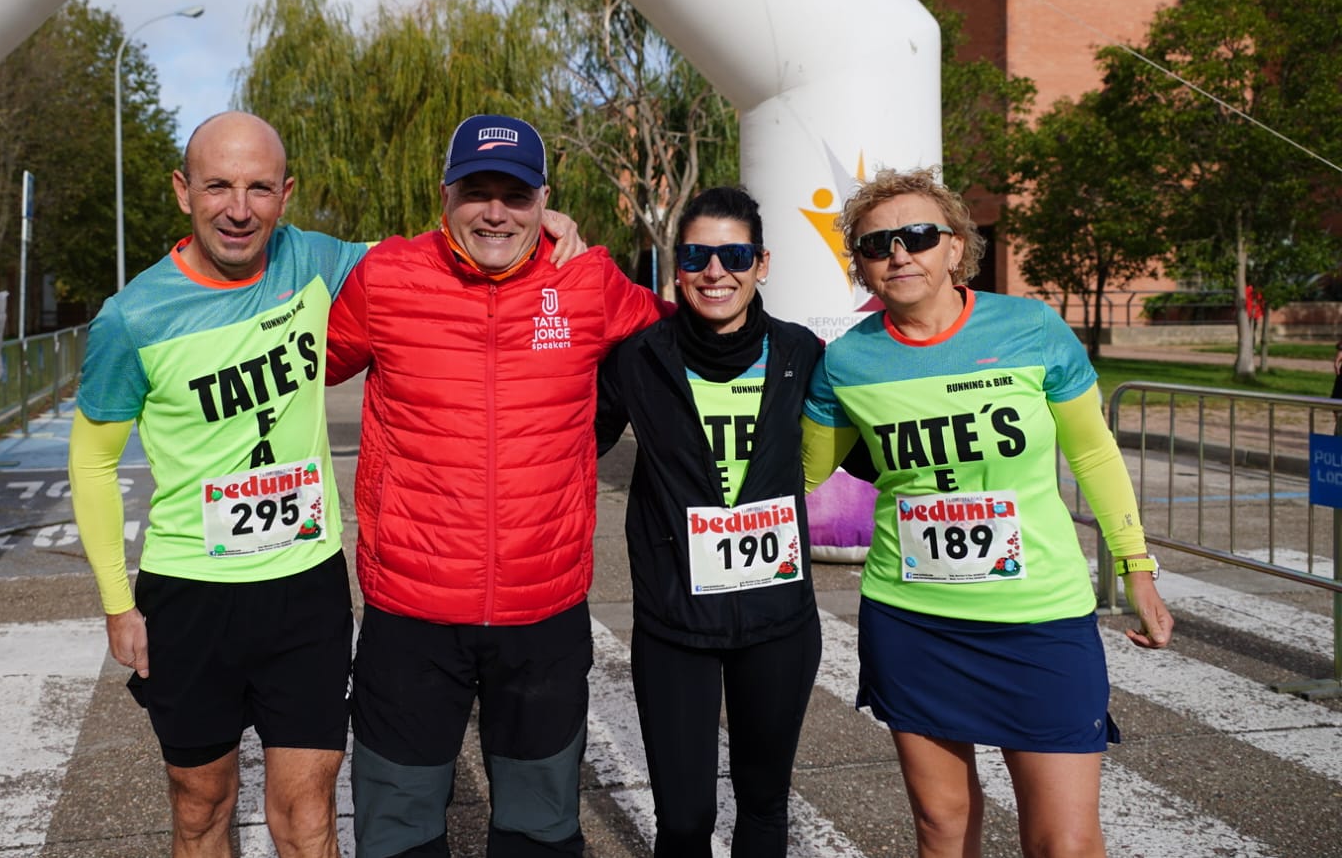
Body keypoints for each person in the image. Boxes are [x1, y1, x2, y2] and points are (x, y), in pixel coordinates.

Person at [68, 110, 587, 858]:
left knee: (308, 811)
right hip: (189, 590)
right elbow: (91, 462)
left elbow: (459, 237)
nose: (238, 208)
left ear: (286, 193)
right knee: (199, 805)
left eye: (258, 188)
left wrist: (540, 219)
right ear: (184, 191)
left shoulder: (317, 261)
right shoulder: (131, 317)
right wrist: (118, 603)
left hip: (305, 586)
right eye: (217, 186)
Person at [325, 113, 672, 858]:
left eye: (515, 194)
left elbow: (692, 341)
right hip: (411, 613)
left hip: (542, 613)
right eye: (476, 191)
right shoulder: (387, 276)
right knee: (395, 830)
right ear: (444, 196)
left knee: (541, 830)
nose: (495, 211)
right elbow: (297, 362)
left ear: (543, 200)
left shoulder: (586, 280)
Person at [800, 167, 1174, 858]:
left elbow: (1094, 454)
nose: (898, 253)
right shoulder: (848, 361)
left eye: (917, 235)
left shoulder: (1030, 328)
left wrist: (1137, 566)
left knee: (1064, 840)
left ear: (954, 247)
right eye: (876, 244)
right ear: (861, 265)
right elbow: (800, 474)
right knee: (942, 828)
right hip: (915, 621)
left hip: (1039, 619)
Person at [595, 186, 822, 857]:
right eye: (697, 253)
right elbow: (569, 445)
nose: (715, 270)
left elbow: (872, 446)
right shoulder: (640, 358)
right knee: (686, 820)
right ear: (677, 263)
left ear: (762, 263)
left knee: (762, 808)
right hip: (675, 624)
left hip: (777, 620)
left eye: (734, 253)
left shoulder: (799, 353)